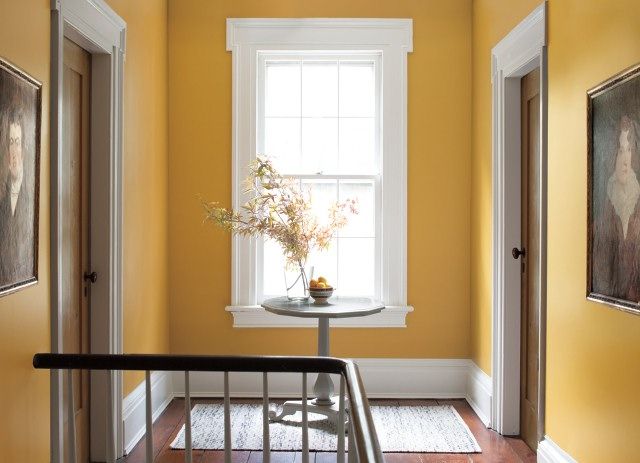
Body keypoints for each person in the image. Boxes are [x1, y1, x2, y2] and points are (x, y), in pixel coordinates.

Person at [593, 115, 640, 302]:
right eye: (621, 151)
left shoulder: (638, 200)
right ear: (614, 154)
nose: (625, 160)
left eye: (629, 150)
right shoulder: (604, 205)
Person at [0, 108, 32, 285]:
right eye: (11, 142)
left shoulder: (28, 195)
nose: (14, 152)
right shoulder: (3, 194)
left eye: (17, 142)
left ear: (24, 148)